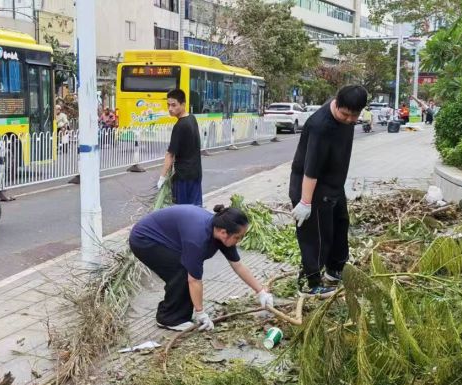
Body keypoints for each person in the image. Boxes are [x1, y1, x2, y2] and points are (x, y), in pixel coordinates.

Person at [129, 204, 274, 331]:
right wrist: (201, 312)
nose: (239, 240)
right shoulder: (198, 240)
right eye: (238, 237)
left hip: (167, 239)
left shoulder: (222, 231)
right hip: (145, 240)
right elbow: (194, 280)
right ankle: (168, 318)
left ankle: (178, 316)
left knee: (185, 270)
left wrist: (260, 291)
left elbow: (238, 265)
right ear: (224, 233)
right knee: (182, 271)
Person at [289, 85, 367, 297]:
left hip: (333, 184)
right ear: (337, 104)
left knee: (340, 225)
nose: (350, 119)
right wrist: (305, 202)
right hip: (311, 186)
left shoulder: (347, 118)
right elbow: (310, 169)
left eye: (355, 115)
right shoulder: (320, 126)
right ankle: (310, 283)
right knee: (317, 236)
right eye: (345, 114)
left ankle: (335, 270)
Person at [157, 88, 203, 206]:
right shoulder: (192, 119)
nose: (170, 109)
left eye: (174, 105)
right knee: (195, 209)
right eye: (168, 105)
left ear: (183, 104)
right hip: (196, 173)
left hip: (183, 177)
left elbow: (170, 154)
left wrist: (162, 177)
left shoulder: (180, 126)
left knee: (182, 211)